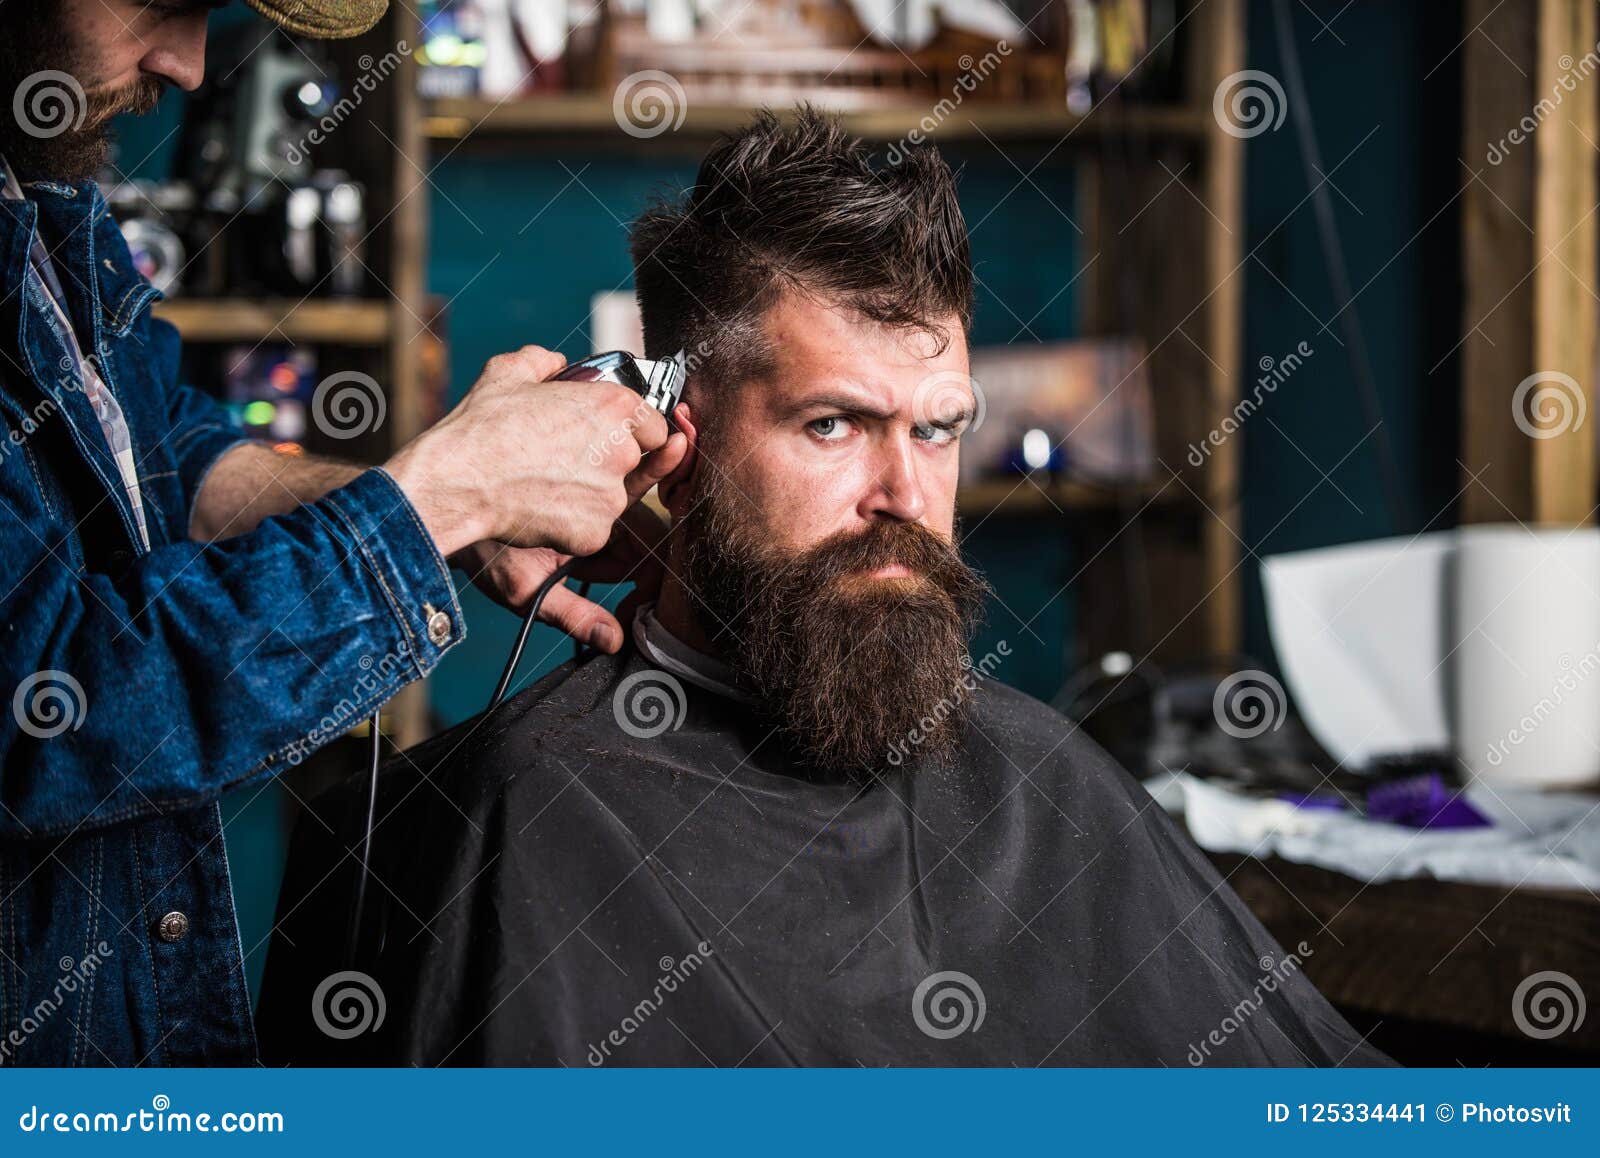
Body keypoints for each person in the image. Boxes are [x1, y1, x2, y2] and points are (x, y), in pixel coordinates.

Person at [257, 110, 1393, 1067]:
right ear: (671, 443)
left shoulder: (1044, 778)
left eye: (940, 429)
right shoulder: (530, 809)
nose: (904, 492)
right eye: (833, 423)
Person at [0, 0, 684, 1065]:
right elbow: (37, 701)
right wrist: (434, 499)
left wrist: (459, 514)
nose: (185, 65)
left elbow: (162, 458)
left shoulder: (32, 203)